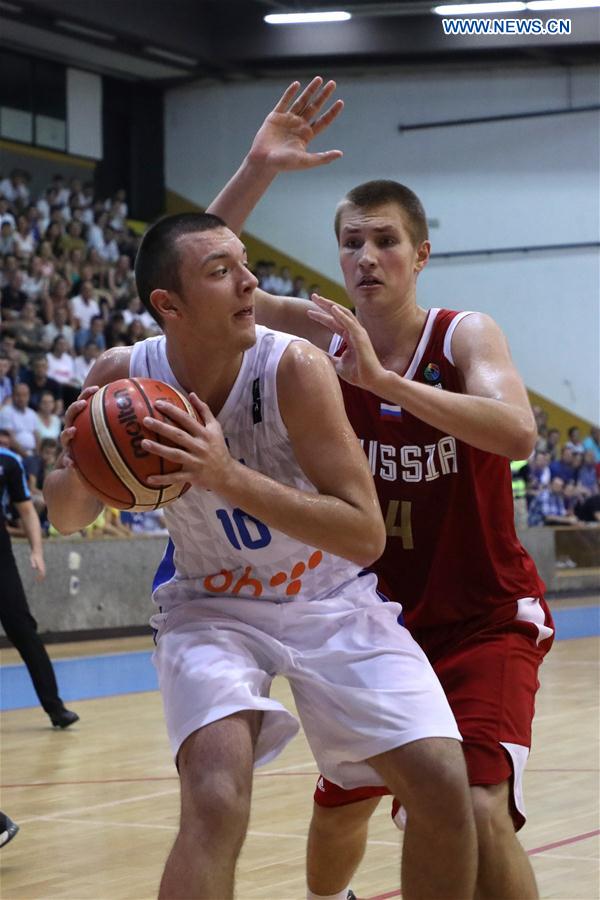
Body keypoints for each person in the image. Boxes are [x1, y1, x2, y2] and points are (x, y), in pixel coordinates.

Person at [44, 210, 477, 895]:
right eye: (222, 273)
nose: (250, 282)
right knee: (215, 798)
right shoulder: (122, 376)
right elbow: (67, 516)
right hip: (211, 607)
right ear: (169, 306)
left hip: (328, 597)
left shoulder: (294, 370)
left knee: (444, 786)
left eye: (245, 264)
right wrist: (76, 462)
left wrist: (226, 476)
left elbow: (365, 534)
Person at [208, 77, 554, 900]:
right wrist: (257, 166)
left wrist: (384, 384)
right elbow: (201, 270)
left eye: (387, 242)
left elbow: (518, 434)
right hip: (373, 630)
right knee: (337, 815)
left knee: (476, 803)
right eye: (352, 243)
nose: (367, 258)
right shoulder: (320, 334)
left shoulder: (462, 334)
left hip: (480, 619)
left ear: (421, 254)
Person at [0, 443, 79, 728]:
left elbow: (27, 510)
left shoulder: (8, 461)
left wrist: (37, 551)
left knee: (22, 627)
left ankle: (55, 708)